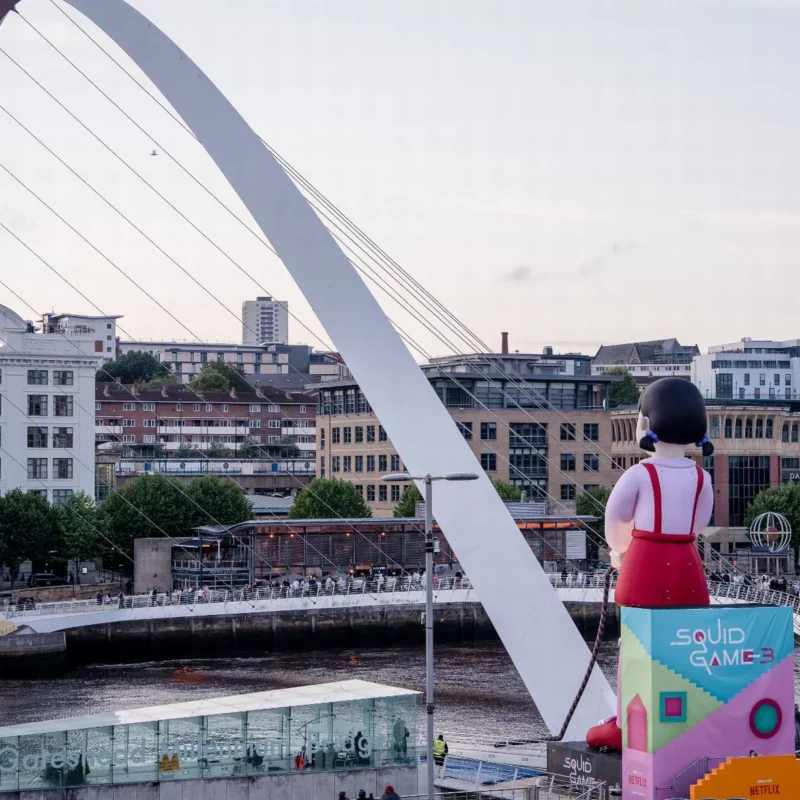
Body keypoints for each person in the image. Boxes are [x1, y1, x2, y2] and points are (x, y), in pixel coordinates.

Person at [587, 378, 714, 752]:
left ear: (646, 422)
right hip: (687, 564)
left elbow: (615, 518)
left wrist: (621, 552)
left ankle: (630, 722)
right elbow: (700, 523)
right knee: (683, 646)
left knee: (635, 645)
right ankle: (683, 716)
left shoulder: (640, 474)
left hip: (645, 563)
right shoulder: (700, 477)